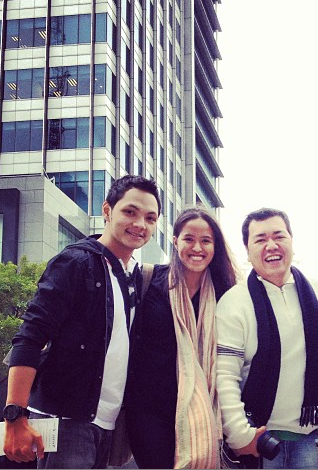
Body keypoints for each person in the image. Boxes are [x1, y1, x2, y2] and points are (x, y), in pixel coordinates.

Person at [3, 175, 161, 469]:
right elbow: (30, 337)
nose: (140, 224)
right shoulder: (76, 263)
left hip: (107, 426)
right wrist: (15, 416)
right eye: (130, 212)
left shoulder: (134, 278)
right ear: (107, 210)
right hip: (65, 423)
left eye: (150, 218)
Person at [216, 208, 318, 469]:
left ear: (291, 240)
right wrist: (241, 435)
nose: (271, 245)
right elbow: (224, 375)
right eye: (260, 239)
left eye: (279, 236)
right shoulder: (235, 301)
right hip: (260, 438)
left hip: (310, 436)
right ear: (247, 250)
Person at [125, 206, 237, 469]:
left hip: (206, 411)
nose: (197, 247)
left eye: (206, 241)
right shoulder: (148, 281)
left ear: (215, 246)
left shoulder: (226, 293)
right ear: (175, 242)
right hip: (149, 412)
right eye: (189, 239)